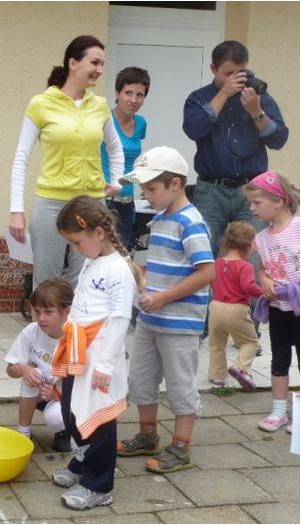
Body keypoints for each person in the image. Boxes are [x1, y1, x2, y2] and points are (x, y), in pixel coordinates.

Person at [116, 146, 215, 473]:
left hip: (179, 323)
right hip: (150, 319)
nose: (146, 195)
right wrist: (143, 279)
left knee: (179, 385)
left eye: (151, 188)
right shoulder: (159, 220)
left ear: (175, 184)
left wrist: (163, 298)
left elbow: (207, 272)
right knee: (141, 379)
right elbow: (165, 266)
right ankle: (148, 437)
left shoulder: (190, 222)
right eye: (143, 189)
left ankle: (181, 448)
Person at [8, 35, 124, 290]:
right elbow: (21, 158)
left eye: (102, 64)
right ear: (73, 63)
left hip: (92, 203)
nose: (100, 70)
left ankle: (77, 319)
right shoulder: (41, 104)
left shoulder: (100, 106)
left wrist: (116, 180)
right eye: (94, 63)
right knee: (46, 283)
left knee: (85, 279)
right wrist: (16, 210)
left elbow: (115, 147)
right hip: (51, 204)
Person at [50, 196, 142, 510]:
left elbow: (119, 319)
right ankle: (82, 462)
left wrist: (105, 364)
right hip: (79, 355)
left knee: (98, 420)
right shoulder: (92, 261)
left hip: (100, 360)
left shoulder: (119, 270)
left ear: (99, 233)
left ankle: (99, 484)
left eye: (76, 242)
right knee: (72, 412)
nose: (75, 249)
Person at [183, 40, 288, 257]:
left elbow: (279, 140)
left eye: (241, 72)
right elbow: (193, 130)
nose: (236, 79)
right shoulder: (198, 98)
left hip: (252, 190)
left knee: (253, 256)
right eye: (229, 73)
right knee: (204, 254)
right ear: (213, 69)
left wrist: (256, 111)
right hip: (211, 190)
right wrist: (223, 94)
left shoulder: (258, 96)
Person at [244, 171, 300, 433]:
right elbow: (263, 268)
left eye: (257, 202)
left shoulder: (298, 228)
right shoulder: (262, 238)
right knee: (279, 360)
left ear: (278, 200)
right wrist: (264, 279)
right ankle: (279, 412)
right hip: (278, 310)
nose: (251, 208)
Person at [5, 278, 74, 452]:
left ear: (67, 311)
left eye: (48, 312)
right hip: (42, 393)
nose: (41, 318)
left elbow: (84, 386)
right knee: (31, 376)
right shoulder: (31, 331)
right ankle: (23, 432)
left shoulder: (76, 337)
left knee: (55, 418)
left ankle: (68, 431)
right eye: (37, 311)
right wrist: (24, 369)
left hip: (71, 399)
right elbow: (10, 369)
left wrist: (58, 395)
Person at [207, 221, 262, 391]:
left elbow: (211, 281)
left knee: (217, 344)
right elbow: (247, 287)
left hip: (216, 307)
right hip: (237, 309)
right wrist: (263, 293)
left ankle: (217, 376)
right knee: (250, 342)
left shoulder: (217, 262)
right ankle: (240, 368)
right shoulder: (245, 266)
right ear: (246, 245)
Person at [101, 67, 150, 248]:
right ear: (117, 93)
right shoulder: (104, 119)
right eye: (128, 93)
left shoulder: (141, 123)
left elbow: (131, 159)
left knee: (124, 255)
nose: (133, 100)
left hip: (128, 201)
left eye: (140, 95)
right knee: (101, 254)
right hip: (105, 199)